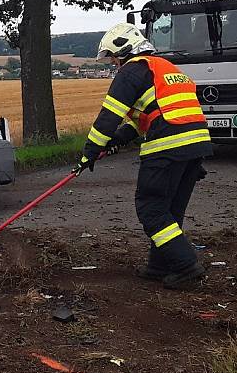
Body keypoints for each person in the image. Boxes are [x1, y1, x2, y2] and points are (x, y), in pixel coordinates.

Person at [76, 22, 212, 289]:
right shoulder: (165, 68)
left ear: (123, 51)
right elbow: (145, 119)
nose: (114, 64)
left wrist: (89, 153)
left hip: (168, 144)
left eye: (114, 58)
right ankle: (159, 265)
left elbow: (108, 117)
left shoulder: (132, 71)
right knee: (170, 210)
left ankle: (186, 267)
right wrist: (116, 141)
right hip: (195, 145)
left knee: (151, 209)